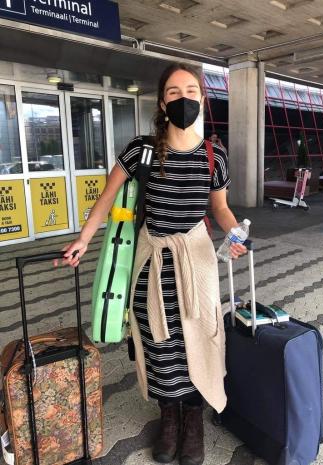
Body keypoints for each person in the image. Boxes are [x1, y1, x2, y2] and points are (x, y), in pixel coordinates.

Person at [55, 63, 246, 465]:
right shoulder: (141, 149)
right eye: (174, 93)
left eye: (191, 90)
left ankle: (193, 417)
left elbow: (222, 208)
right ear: (162, 102)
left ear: (202, 98)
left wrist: (237, 233)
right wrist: (83, 240)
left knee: (198, 336)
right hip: (152, 260)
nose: (183, 99)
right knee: (158, 342)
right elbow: (107, 197)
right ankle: (170, 418)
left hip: (196, 261)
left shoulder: (215, 153)